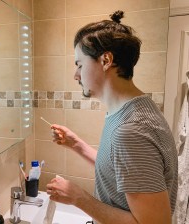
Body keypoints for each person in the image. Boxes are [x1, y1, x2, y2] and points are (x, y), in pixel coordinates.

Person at [46, 10, 178, 224]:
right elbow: (121, 170)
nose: (76, 75)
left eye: (80, 64)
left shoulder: (132, 129)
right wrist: (77, 145)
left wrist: (79, 198)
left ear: (106, 60)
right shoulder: (128, 110)